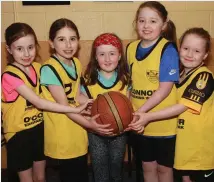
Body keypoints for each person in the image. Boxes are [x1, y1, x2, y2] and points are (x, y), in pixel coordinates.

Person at [1, 22, 93, 182]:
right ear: (9, 49)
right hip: (18, 134)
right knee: (26, 179)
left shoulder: (38, 67)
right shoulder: (9, 75)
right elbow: (39, 102)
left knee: (41, 176)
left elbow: (67, 91)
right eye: (19, 49)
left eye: (30, 47)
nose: (26, 54)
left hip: (38, 128)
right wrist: (75, 109)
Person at [131, 27, 214, 182]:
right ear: (179, 48)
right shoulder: (180, 74)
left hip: (200, 149)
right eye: (186, 48)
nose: (189, 54)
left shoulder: (204, 76)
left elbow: (183, 106)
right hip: (184, 145)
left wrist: (147, 116)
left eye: (196, 51)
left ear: (205, 55)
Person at [40, 19, 113, 182]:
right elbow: (65, 106)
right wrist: (91, 125)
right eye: (61, 39)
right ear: (51, 43)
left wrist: (97, 105)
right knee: (71, 175)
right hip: (62, 132)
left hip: (77, 129)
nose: (68, 45)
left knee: (81, 173)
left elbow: (76, 95)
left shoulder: (76, 63)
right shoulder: (49, 69)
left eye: (72, 39)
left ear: (78, 41)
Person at [126, 1, 180, 182]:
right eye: (142, 21)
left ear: (164, 25)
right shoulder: (130, 48)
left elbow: (164, 90)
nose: (146, 26)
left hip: (163, 124)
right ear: (136, 23)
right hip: (140, 124)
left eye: (153, 21)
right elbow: (130, 84)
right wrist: (128, 109)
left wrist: (141, 112)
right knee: (147, 168)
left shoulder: (168, 49)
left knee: (164, 170)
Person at [81, 33, 130, 182]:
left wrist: (128, 120)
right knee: (99, 169)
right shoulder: (89, 80)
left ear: (120, 55)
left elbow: (129, 105)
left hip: (119, 134)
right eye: (102, 54)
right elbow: (82, 105)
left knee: (116, 169)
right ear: (95, 57)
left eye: (112, 54)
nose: (107, 59)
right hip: (95, 134)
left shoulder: (125, 79)